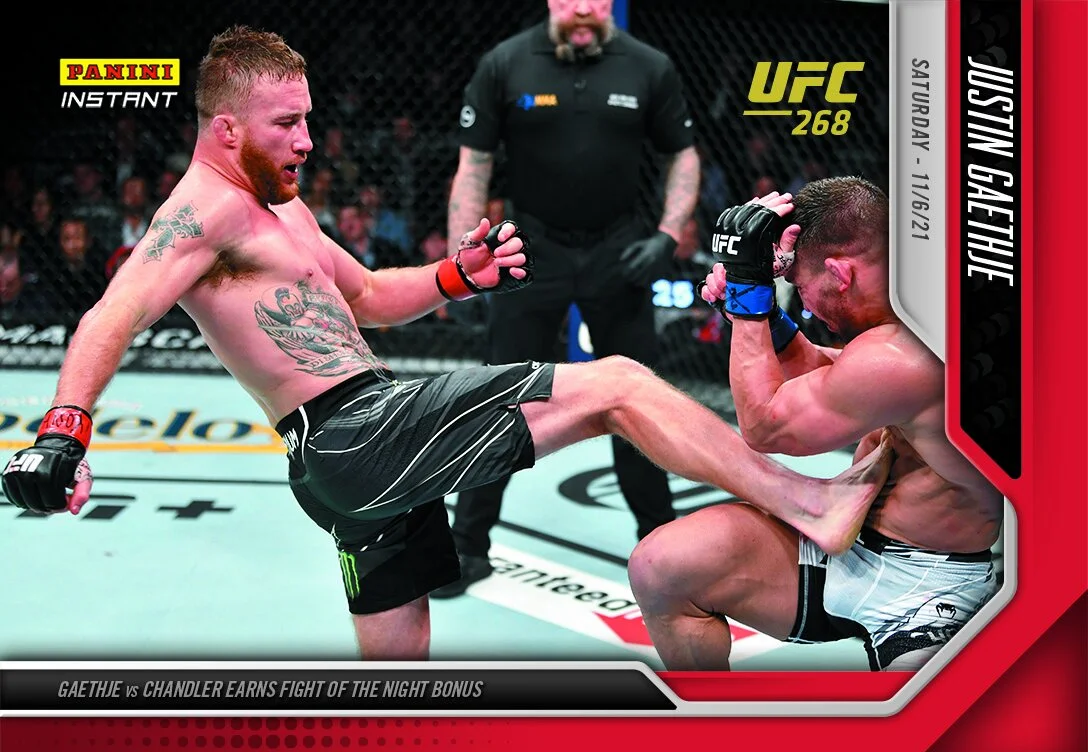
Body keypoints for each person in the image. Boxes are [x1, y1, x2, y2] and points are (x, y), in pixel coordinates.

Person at [0, 27, 893, 662]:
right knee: (618, 381)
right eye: (285, 125)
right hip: (354, 430)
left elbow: (367, 299)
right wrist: (63, 431)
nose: (306, 140)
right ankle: (807, 504)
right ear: (226, 127)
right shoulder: (199, 210)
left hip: (351, 458)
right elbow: (111, 314)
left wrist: (457, 277)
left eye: (307, 119)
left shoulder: (278, 204)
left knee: (399, 669)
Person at [628, 181, 1003, 671]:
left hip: (931, 585)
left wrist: (747, 296)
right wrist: (764, 317)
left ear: (840, 273)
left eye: (801, 287)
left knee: (918, 713)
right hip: (847, 546)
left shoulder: (910, 353)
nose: (804, 306)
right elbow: (841, 379)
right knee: (662, 567)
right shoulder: (908, 317)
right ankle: (712, 715)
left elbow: (765, 429)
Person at [436, 0, 702, 597]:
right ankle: (468, 545)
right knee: (498, 399)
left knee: (641, 401)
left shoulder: (648, 65)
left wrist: (667, 235)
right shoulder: (505, 63)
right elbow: (473, 166)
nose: (583, 8)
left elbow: (681, 155)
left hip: (619, 248)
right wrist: (463, 263)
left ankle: (665, 545)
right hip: (529, 248)